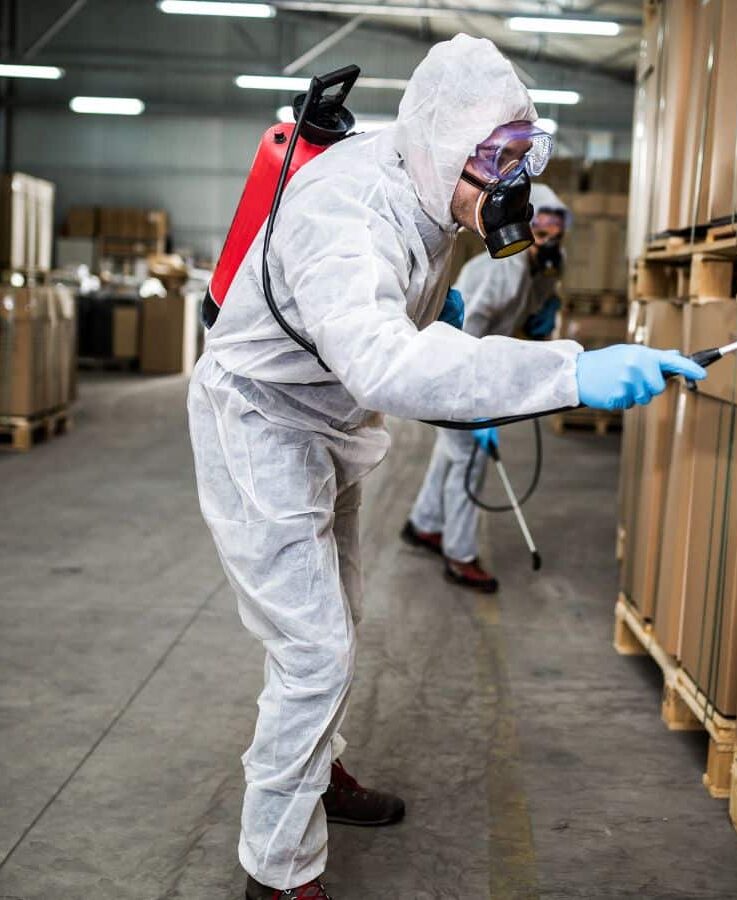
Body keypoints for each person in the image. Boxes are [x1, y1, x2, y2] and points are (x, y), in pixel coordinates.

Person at [188, 33, 706, 900]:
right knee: (312, 651)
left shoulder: (435, 186)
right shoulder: (346, 215)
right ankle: (277, 869)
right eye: (493, 159)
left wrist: (438, 302)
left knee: (338, 619)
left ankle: (316, 771)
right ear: (440, 145)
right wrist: (570, 372)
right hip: (260, 421)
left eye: (519, 155)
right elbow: (387, 364)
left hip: (327, 418)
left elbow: (397, 316)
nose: (511, 183)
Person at [402, 184, 572, 592]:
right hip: (455, 359)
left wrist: (542, 313)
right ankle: (459, 556)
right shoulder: (500, 269)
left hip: (481, 360)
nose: (549, 241)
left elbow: (534, 307)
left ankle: (424, 524)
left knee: (452, 451)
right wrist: (474, 401)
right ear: (527, 225)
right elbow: (464, 330)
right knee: (470, 459)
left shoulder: (549, 263)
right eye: (542, 231)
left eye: (556, 232)